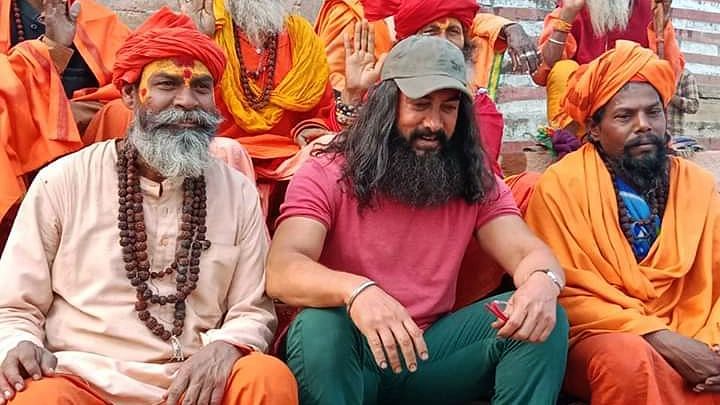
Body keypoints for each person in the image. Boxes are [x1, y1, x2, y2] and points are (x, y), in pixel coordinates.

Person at [0, 8, 297, 405]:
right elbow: (14, 303)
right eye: (166, 84)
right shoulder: (64, 182)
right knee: (37, 398)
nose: (187, 102)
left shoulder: (237, 191)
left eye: (202, 89)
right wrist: (18, 342)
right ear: (128, 94)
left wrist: (228, 345)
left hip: (197, 383)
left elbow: (253, 308)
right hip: (86, 378)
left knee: (265, 378)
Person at [267, 35, 569, 405]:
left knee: (541, 318)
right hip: (351, 355)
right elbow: (282, 268)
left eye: (448, 108)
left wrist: (542, 282)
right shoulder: (327, 171)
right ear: (386, 106)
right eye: (420, 105)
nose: (434, 123)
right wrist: (357, 291)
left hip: (431, 354)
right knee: (319, 325)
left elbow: (527, 253)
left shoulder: (473, 176)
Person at [525, 40, 720, 404]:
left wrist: (713, 341)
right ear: (595, 129)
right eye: (624, 116)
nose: (643, 126)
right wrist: (657, 337)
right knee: (627, 360)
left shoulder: (697, 185)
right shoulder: (561, 187)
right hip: (601, 334)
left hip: (696, 327)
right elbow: (565, 293)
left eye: (653, 113)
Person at [86, 0, 340, 223]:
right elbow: (166, 89)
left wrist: (310, 127)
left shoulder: (302, 38)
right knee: (229, 151)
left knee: (333, 148)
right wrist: (198, 34)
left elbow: (320, 108)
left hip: (285, 152)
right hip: (216, 146)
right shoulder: (204, 23)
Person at [0, 0, 129, 251]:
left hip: (87, 132)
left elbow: (133, 82)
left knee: (128, 115)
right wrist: (52, 48)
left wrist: (71, 115)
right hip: (20, 129)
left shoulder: (98, 20)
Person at [533, 0, 684, 132]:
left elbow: (669, 74)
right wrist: (568, 14)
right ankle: (571, 143)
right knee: (562, 69)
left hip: (631, 102)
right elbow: (546, 68)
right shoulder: (571, 5)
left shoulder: (651, 8)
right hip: (584, 107)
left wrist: (662, 23)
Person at [667, 69, 700, 137]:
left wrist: (670, 96)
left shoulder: (685, 75)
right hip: (653, 135)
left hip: (674, 135)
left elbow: (693, 106)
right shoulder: (652, 72)